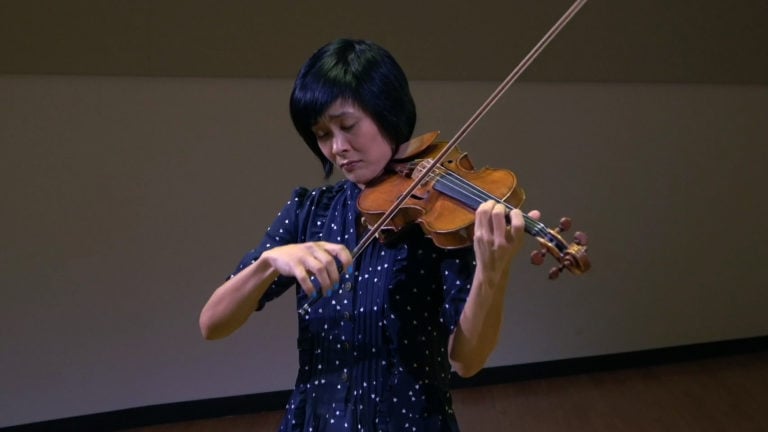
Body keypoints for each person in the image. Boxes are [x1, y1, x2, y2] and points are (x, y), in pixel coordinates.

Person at [199, 38, 538, 432]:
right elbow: (212, 324)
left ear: (388, 112)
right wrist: (268, 264)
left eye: (348, 126)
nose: (338, 148)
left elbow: (467, 361)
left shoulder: (436, 217)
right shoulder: (308, 210)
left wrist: (492, 273)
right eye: (322, 134)